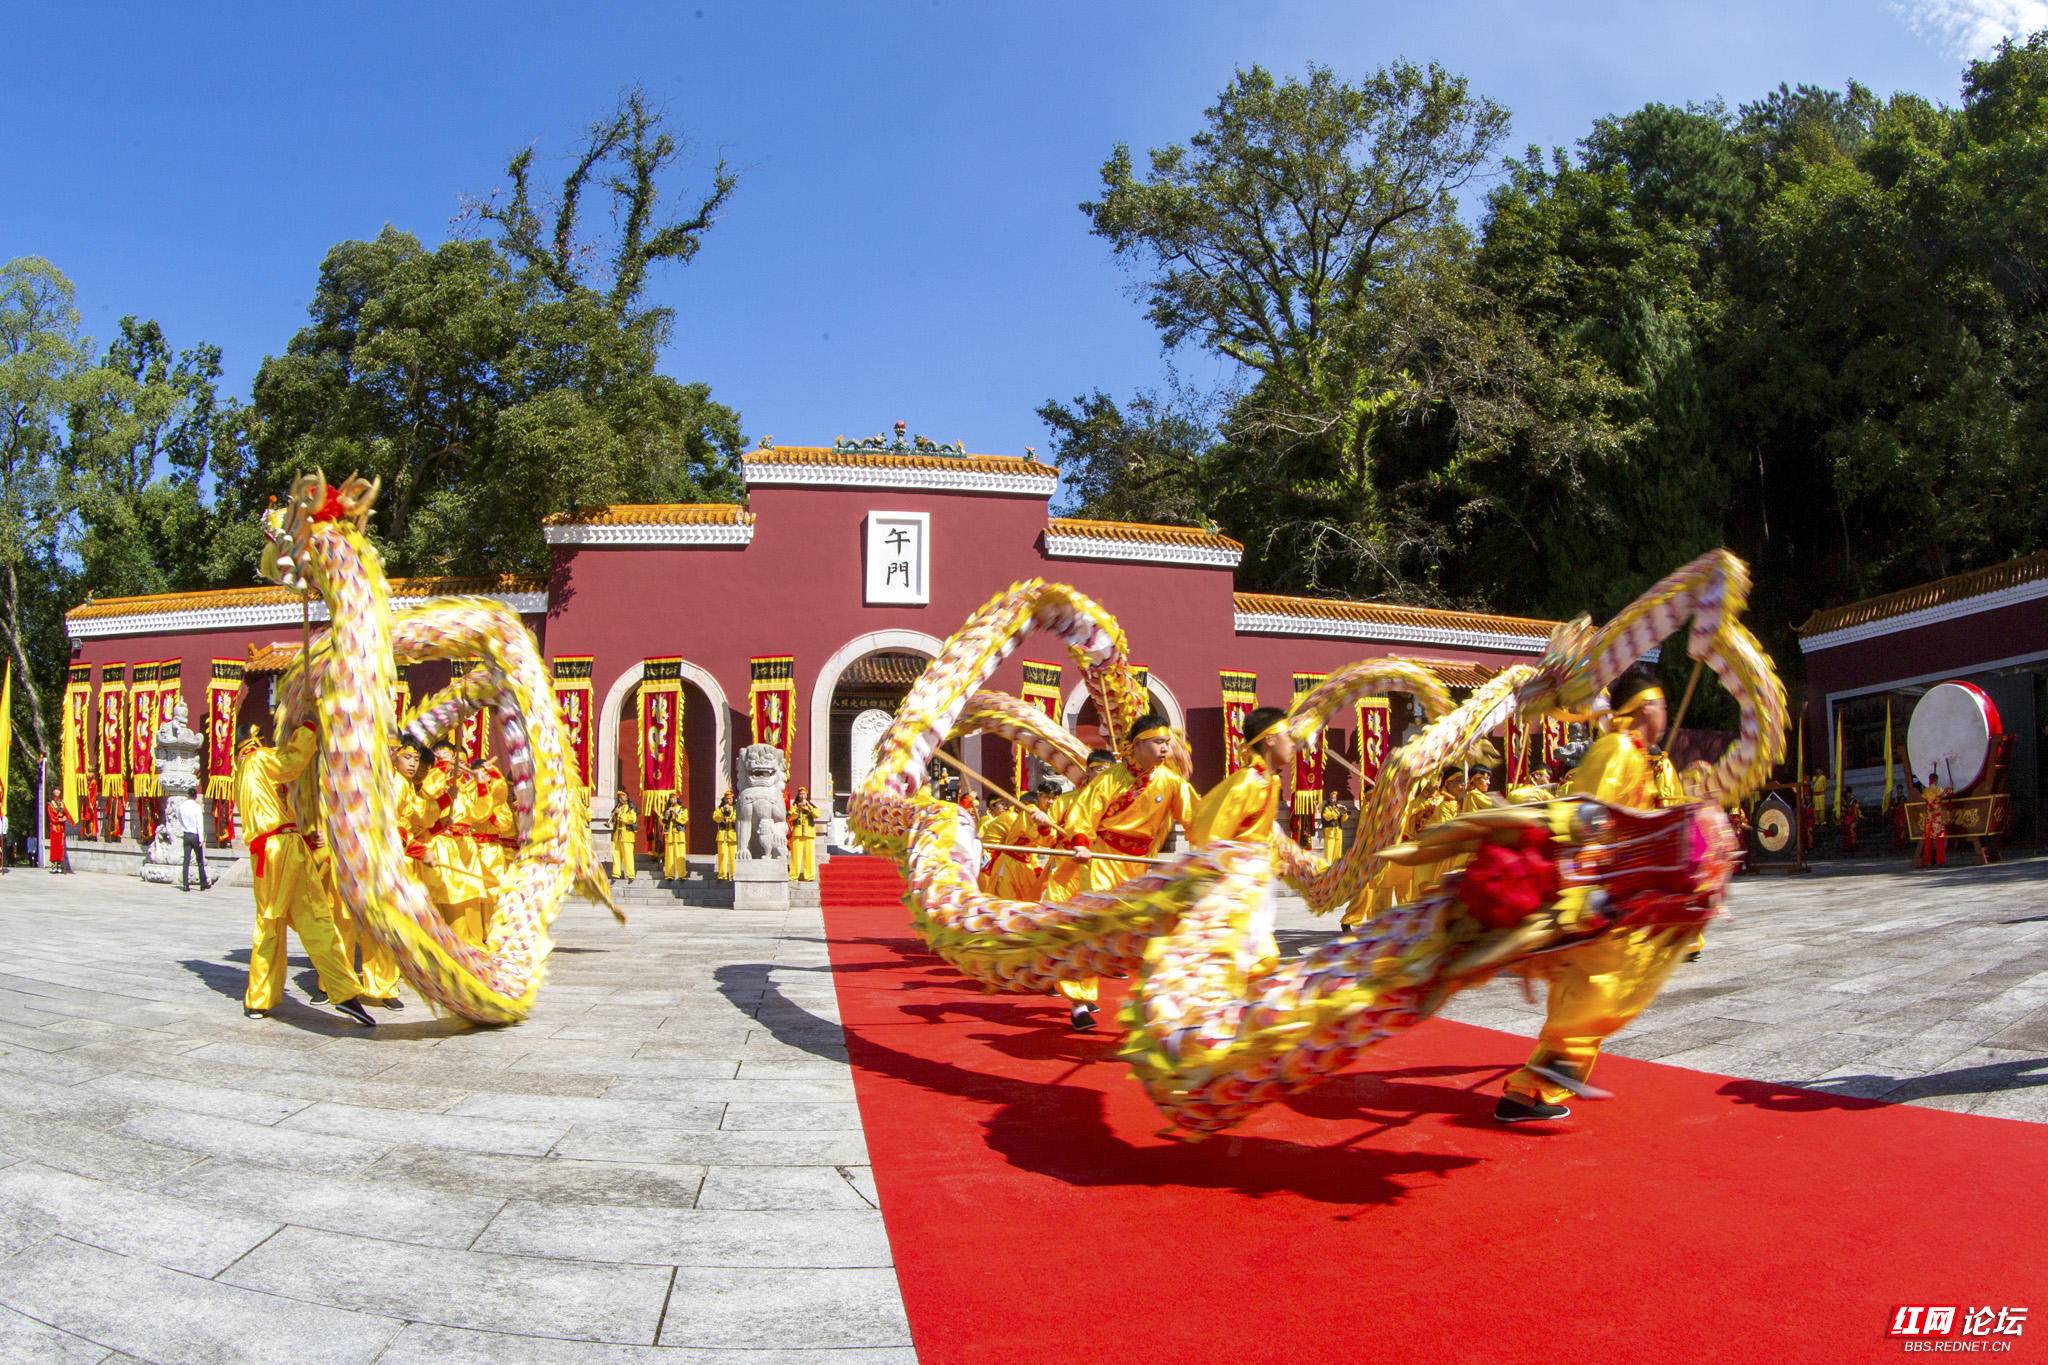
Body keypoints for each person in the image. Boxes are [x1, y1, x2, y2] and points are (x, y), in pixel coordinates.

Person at [1496, 664, 1691, 1126]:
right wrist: (1588, 895)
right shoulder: (1618, 750)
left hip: (1605, 896)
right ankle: (1534, 1085)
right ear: (1647, 706)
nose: (1664, 713)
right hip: (1595, 897)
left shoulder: (1635, 754)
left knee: (1588, 991)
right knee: (1604, 990)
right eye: (1661, 704)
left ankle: (1535, 1086)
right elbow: (1589, 821)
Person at [1051, 715, 1197, 1030]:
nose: (1165, 749)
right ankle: (1079, 1003)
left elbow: (1196, 819)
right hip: (1102, 858)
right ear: (1137, 745)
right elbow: (1084, 815)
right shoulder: (1108, 780)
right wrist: (1080, 842)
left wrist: (1213, 851)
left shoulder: (1171, 783)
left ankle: (1157, 1002)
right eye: (1159, 742)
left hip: (1140, 866)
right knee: (1092, 927)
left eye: (1167, 743)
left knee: (1149, 932)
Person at [233, 724, 374, 1026]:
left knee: (271, 924)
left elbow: (278, 810)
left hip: (273, 849)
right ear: (254, 741)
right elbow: (292, 761)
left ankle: (261, 997)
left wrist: (305, 839)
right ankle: (344, 991)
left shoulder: (245, 773)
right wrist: (309, 728)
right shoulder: (257, 760)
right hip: (280, 849)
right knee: (315, 918)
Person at [1188, 705, 1296, 969]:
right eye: (1288, 736)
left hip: (1256, 882)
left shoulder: (1270, 782)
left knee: (1258, 961)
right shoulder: (1246, 782)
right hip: (1236, 886)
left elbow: (1261, 833)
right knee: (1257, 960)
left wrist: (1271, 863)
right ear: (1270, 740)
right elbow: (1211, 834)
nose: (1294, 744)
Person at [174, 789, 210, 891]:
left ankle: (185, 884)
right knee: (199, 860)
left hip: (186, 834)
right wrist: (201, 839)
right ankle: (203, 883)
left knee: (186, 860)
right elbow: (199, 823)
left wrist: (183, 827)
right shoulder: (196, 807)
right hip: (195, 835)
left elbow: (179, 817)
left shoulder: (182, 806)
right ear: (195, 796)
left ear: (188, 795)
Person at [788, 786, 821, 882]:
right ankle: (793, 875)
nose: (803, 795)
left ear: (807, 795)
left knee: (809, 856)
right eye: (801, 794)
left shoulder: (811, 805)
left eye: (804, 794)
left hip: (809, 834)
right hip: (797, 834)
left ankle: (809, 876)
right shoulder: (794, 806)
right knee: (796, 856)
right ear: (798, 795)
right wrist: (798, 809)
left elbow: (817, 815)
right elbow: (790, 817)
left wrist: (809, 807)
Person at [1918, 770, 1949, 869]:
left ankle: (1927, 861)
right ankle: (1940, 860)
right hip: (1937, 817)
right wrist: (1949, 790)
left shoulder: (1925, 791)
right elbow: (1946, 794)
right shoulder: (1939, 790)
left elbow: (1925, 799)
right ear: (1936, 780)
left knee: (1928, 840)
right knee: (1940, 839)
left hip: (1928, 818)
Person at [610, 791, 638, 883]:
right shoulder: (617, 807)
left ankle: (630, 874)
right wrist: (614, 815)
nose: (620, 799)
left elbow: (632, 819)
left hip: (627, 835)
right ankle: (616, 873)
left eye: (622, 797)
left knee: (628, 855)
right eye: (619, 797)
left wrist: (620, 815)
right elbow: (613, 822)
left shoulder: (631, 807)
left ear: (626, 797)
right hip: (617, 835)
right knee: (616, 854)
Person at [661, 797, 690, 881]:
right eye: (671, 798)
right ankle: (669, 874)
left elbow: (684, 819)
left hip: (679, 834)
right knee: (669, 855)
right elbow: (661, 820)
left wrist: (675, 813)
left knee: (680, 855)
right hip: (669, 834)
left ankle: (682, 875)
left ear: (677, 799)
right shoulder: (667, 809)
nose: (672, 800)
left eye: (674, 798)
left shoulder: (683, 809)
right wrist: (667, 813)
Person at [713, 790, 738, 880]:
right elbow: (716, 818)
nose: (728, 800)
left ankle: (733, 874)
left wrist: (730, 812)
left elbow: (737, 818)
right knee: (722, 855)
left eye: (730, 799)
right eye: (726, 799)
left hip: (733, 835)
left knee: (733, 856)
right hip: (722, 835)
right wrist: (723, 813)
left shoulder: (736, 808)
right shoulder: (720, 808)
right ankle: (722, 874)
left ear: (733, 799)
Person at [45, 796, 70, 874]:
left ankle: (59, 865)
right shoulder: (50, 805)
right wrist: (58, 819)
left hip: (61, 829)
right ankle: (53, 866)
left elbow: (66, 813)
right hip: (54, 828)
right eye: (56, 793)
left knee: (60, 847)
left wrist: (65, 817)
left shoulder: (62, 804)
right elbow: (51, 816)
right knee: (54, 847)